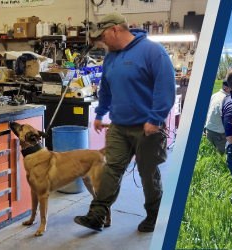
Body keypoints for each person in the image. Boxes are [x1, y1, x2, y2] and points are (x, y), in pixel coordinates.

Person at [75, 12, 175, 233]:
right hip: (119, 126)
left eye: (103, 36)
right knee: (112, 169)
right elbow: (106, 88)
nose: (102, 41)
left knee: (148, 173)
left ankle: (153, 215)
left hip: (147, 128)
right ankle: (97, 215)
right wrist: (100, 114)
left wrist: (155, 118)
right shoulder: (111, 56)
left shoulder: (152, 51)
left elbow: (166, 87)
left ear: (115, 30)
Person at [206, 82, 229, 154]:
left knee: (216, 154)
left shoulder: (215, 95)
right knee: (223, 156)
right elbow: (228, 121)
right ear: (226, 88)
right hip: (219, 134)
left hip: (209, 130)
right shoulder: (225, 99)